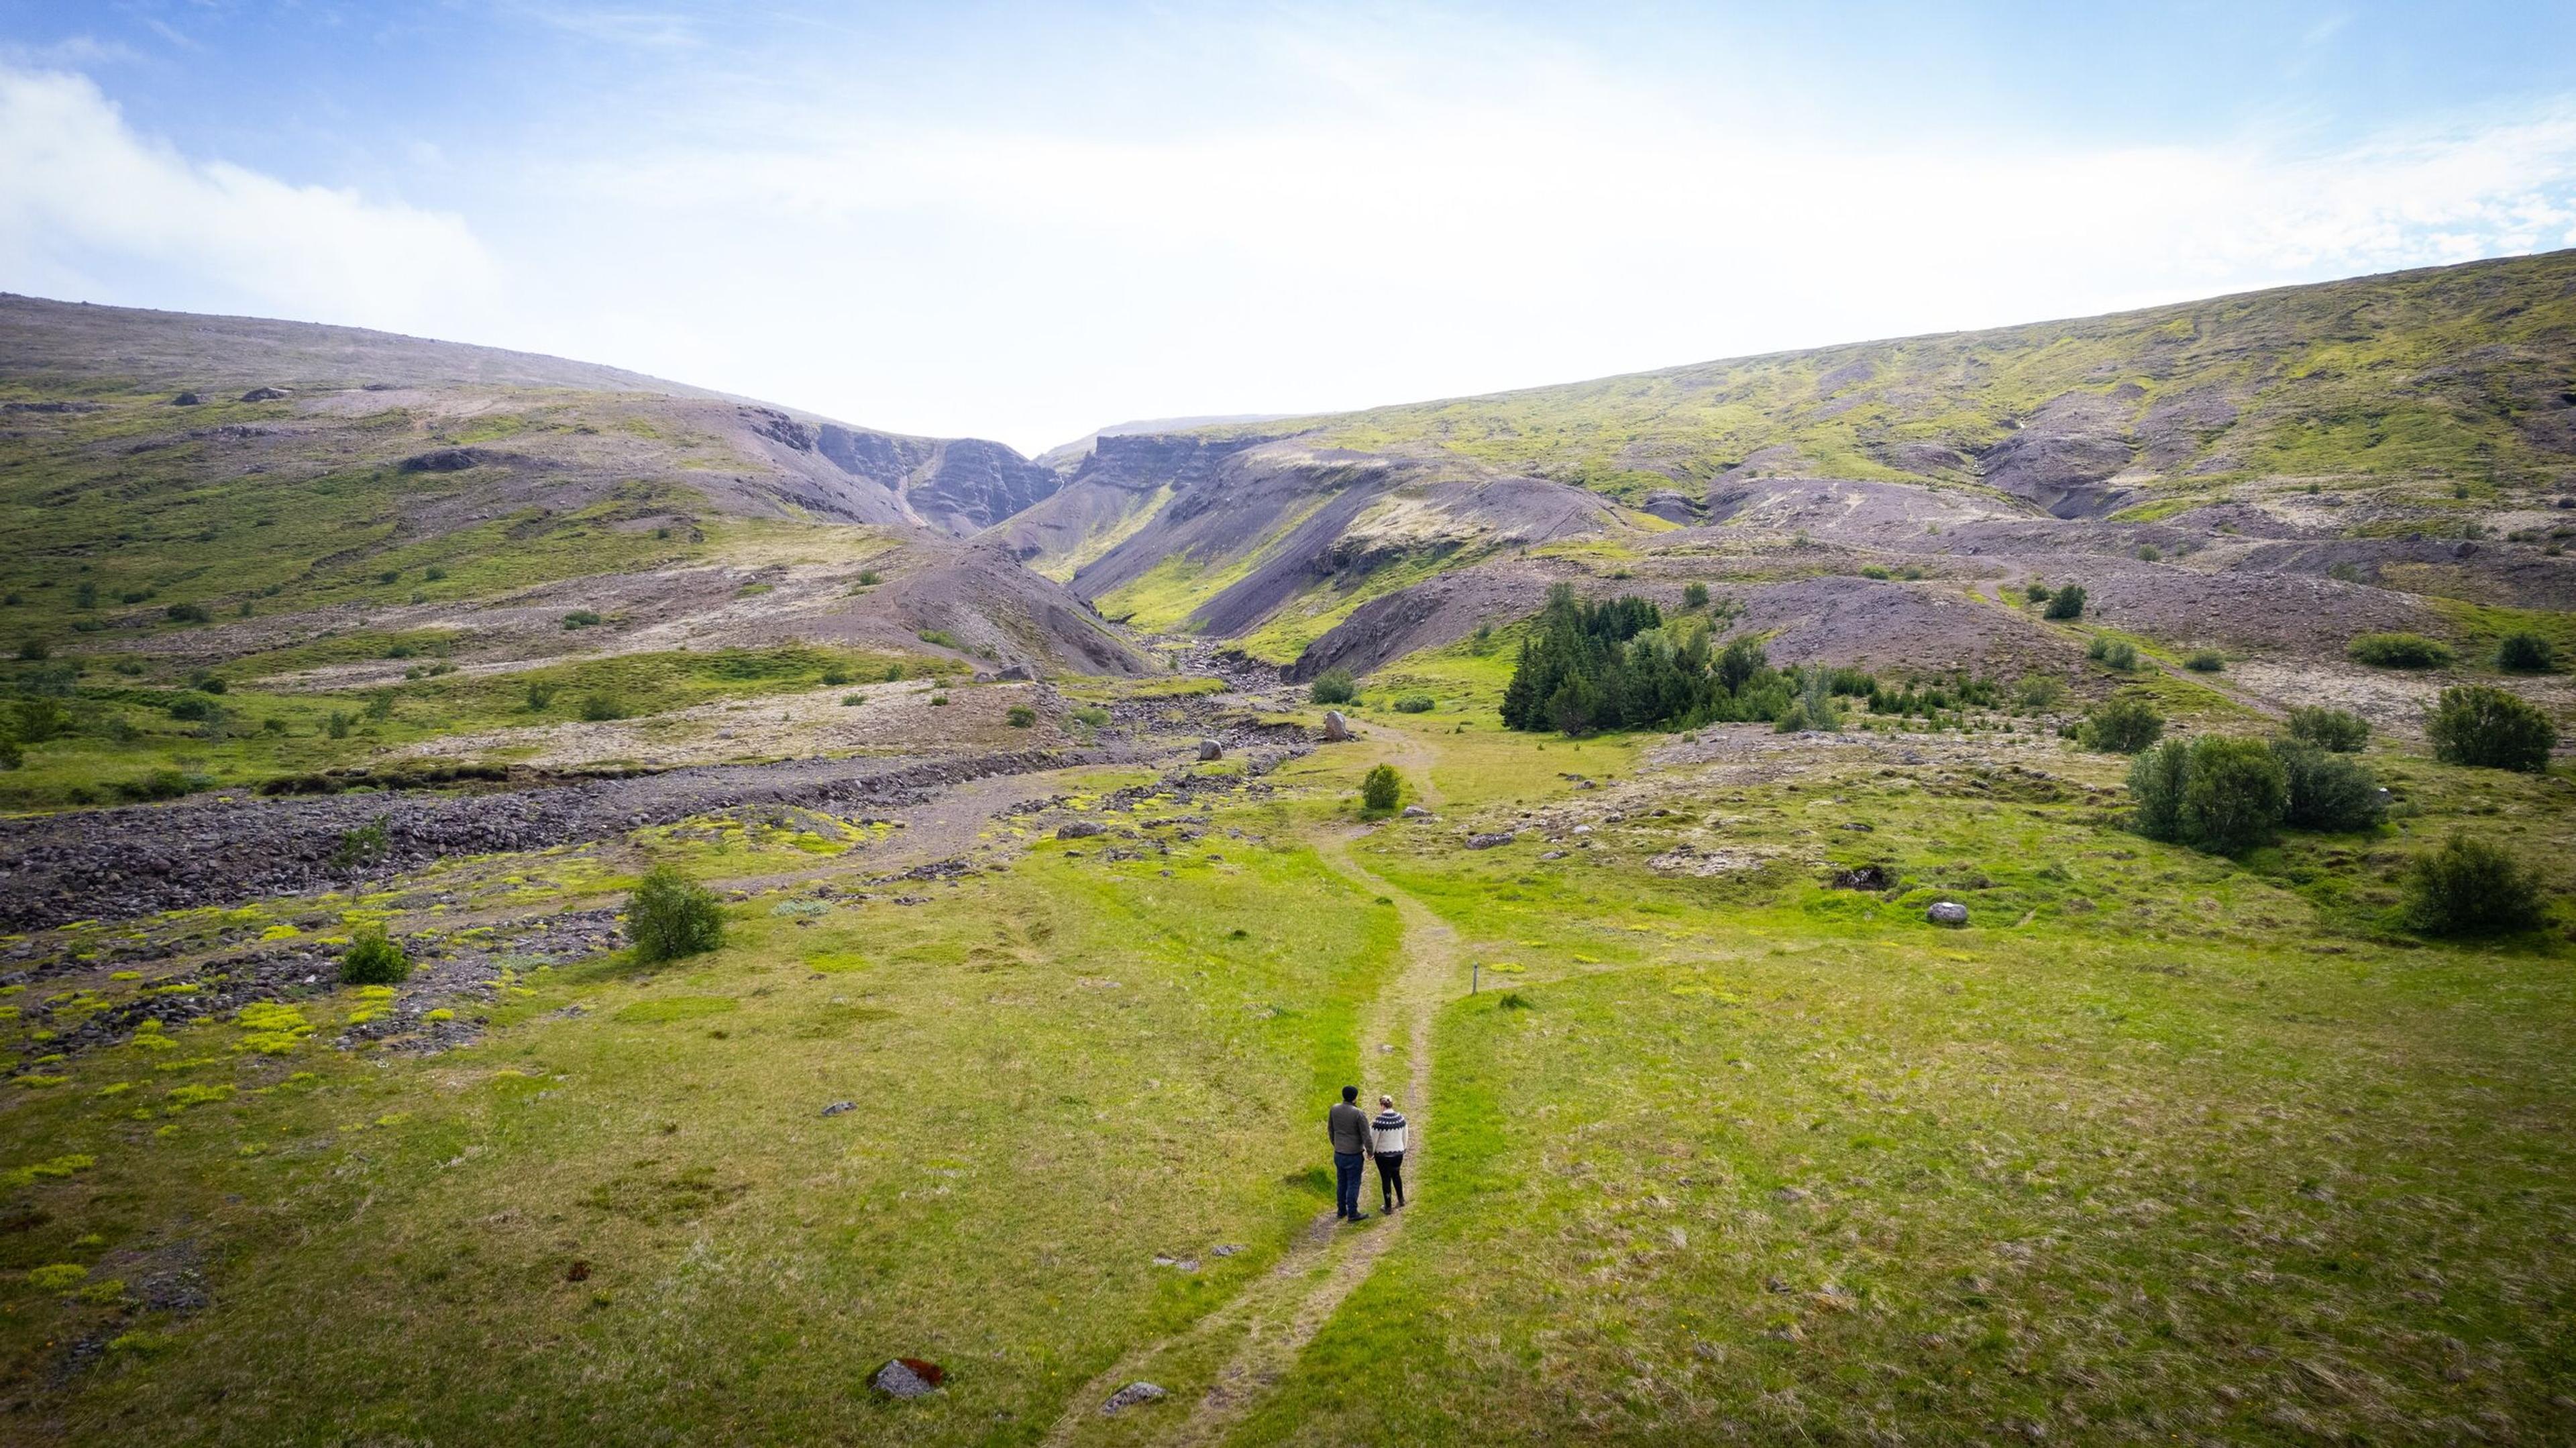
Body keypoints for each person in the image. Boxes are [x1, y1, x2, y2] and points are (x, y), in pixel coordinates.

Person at [1327, 1084, 1372, 1221]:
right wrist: (1370, 1151)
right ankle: (1353, 1213)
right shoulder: (1358, 1113)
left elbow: (1331, 1130)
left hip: (1339, 1153)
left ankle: (1341, 1210)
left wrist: (1336, 1144)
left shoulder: (1334, 1109)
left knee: (1342, 1182)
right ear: (1355, 1098)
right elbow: (1366, 1135)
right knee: (1353, 1183)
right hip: (1353, 1155)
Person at [1369, 1094, 1409, 1212]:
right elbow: (1405, 1135)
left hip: (1382, 1156)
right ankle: (1401, 1199)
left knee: (1385, 1178)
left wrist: (1370, 1153)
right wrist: (1404, 1148)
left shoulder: (1378, 1122)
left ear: (1382, 1106)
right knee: (1396, 1175)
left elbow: (1373, 1140)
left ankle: (1388, 1206)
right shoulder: (1401, 1118)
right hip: (1398, 1154)